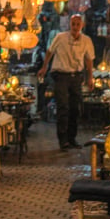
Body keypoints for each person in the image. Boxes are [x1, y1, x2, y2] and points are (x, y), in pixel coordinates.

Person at [37, 14, 95, 150]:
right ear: (70, 24)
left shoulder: (86, 41)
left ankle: (72, 138)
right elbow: (50, 51)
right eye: (73, 24)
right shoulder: (60, 37)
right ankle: (63, 140)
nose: (75, 27)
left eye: (77, 24)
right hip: (61, 75)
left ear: (82, 26)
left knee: (75, 108)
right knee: (63, 107)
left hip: (76, 76)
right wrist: (44, 67)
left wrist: (90, 77)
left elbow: (89, 59)